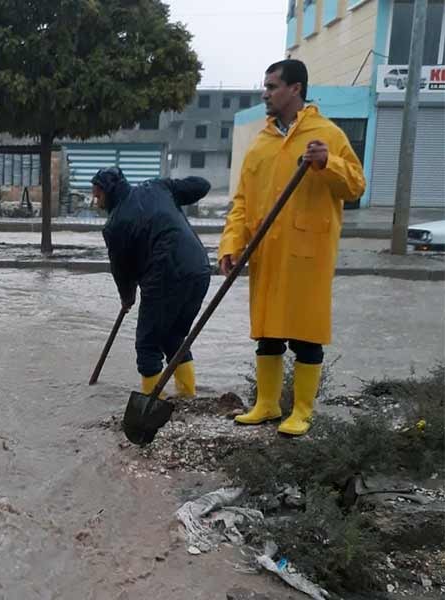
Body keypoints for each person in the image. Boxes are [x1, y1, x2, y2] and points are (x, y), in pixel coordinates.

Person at [219, 59, 365, 436]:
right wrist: (231, 244)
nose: (265, 93)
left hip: (307, 252)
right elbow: (241, 202)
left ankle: (302, 411)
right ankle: (266, 405)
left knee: (305, 334)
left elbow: (355, 186)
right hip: (266, 251)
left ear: (295, 88)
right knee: (267, 333)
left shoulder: (326, 135)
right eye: (265, 86)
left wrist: (327, 163)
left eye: (272, 86)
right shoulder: (260, 144)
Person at [92, 167, 212, 398]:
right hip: (199, 270)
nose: (96, 201)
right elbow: (202, 186)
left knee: (147, 345)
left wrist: (127, 297)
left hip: (165, 278)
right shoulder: (158, 187)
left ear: (109, 191)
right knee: (174, 337)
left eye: (98, 195)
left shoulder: (115, 224)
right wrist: (175, 188)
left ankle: (152, 404)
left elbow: (121, 270)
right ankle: (187, 396)